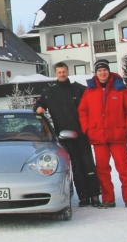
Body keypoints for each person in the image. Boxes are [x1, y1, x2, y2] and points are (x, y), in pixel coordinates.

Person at [34, 62, 101, 207]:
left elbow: (94, 100)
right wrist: (39, 108)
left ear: (67, 71)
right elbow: (38, 105)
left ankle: (95, 195)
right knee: (76, 167)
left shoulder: (78, 89)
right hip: (65, 137)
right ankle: (83, 196)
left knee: (88, 165)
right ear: (55, 74)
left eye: (64, 72)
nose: (62, 74)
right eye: (59, 72)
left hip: (82, 135)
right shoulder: (50, 93)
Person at [78, 59, 127, 209]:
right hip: (98, 137)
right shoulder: (89, 91)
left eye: (105, 70)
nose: (102, 73)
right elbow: (82, 112)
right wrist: (87, 129)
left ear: (109, 71)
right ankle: (108, 198)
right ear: (96, 73)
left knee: (124, 168)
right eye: (99, 70)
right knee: (102, 170)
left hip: (118, 136)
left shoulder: (121, 89)